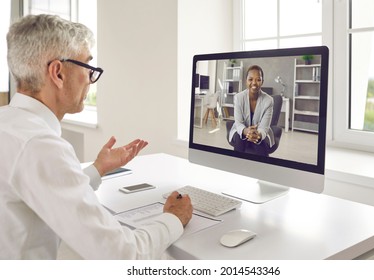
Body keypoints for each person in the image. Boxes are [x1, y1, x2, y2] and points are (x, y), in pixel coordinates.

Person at [0, 14, 192, 259]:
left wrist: (98, 169)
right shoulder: (40, 146)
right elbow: (121, 255)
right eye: (89, 68)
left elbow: (41, 189)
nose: (91, 80)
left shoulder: (8, 123)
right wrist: (174, 218)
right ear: (57, 73)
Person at [228, 65, 274, 156]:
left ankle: (263, 168)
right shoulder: (238, 98)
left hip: (260, 131)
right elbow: (239, 123)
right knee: (240, 139)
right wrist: (247, 132)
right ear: (246, 81)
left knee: (260, 143)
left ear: (262, 82)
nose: (254, 83)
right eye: (250, 79)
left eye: (258, 79)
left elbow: (264, 128)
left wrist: (257, 135)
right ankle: (236, 166)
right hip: (241, 129)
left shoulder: (268, 100)